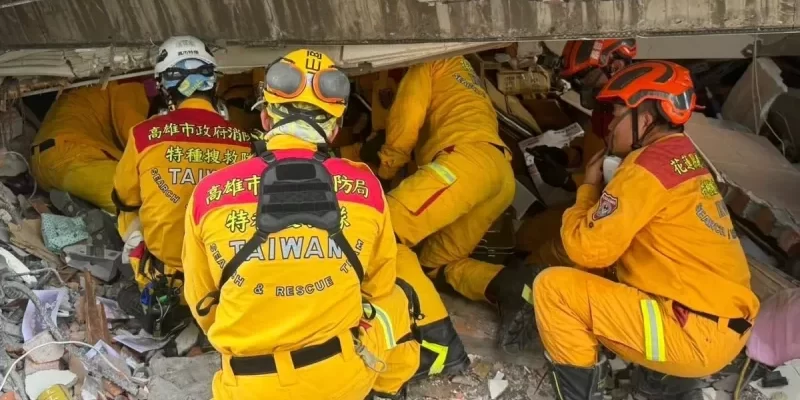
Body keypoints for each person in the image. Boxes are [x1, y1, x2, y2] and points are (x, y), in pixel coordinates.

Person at [182, 49, 422, 400]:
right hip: (340, 382)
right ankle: (385, 391)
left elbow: (202, 300)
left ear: (265, 119)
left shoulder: (210, 193)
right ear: (336, 129)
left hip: (246, 387)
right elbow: (378, 284)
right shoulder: (365, 187)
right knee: (398, 298)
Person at [532, 61, 760, 399]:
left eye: (617, 113)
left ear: (646, 118)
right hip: (724, 326)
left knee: (553, 289)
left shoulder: (644, 169)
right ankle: (663, 383)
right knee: (608, 271)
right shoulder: (686, 158)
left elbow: (586, 248)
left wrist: (587, 190)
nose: (609, 125)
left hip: (691, 332)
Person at [370, 55, 532, 353]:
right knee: (438, 264)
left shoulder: (427, 62)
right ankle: (515, 289)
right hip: (499, 174)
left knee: (376, 229)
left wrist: (386, 168)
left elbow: (406, 118)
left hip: (464, 163)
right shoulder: (467, 75)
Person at [113, 36, 253, 336]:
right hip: (224, 276)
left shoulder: (144, 134)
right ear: (212, 82)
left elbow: (124, 196)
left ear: (164, 85)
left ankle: (149, 284)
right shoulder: (244, 142)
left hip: (167, 272)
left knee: (127, 209)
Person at [517, 39, 637, 267]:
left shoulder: (635, 123)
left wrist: (569, 181)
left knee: (539, 263)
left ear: (616, 67)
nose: (585, 88)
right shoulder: (606, 110)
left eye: (588, 79)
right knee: (525, 237)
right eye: (579, 82)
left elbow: (617, 188)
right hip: (585, 202)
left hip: (607, 222)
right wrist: (568, 155)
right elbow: (596, 143)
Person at [31, 81, 150, 213]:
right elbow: (135, 136)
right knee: (143, 197)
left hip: (43, 163)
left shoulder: (87, 86)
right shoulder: (126, 82)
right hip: (73, 155)